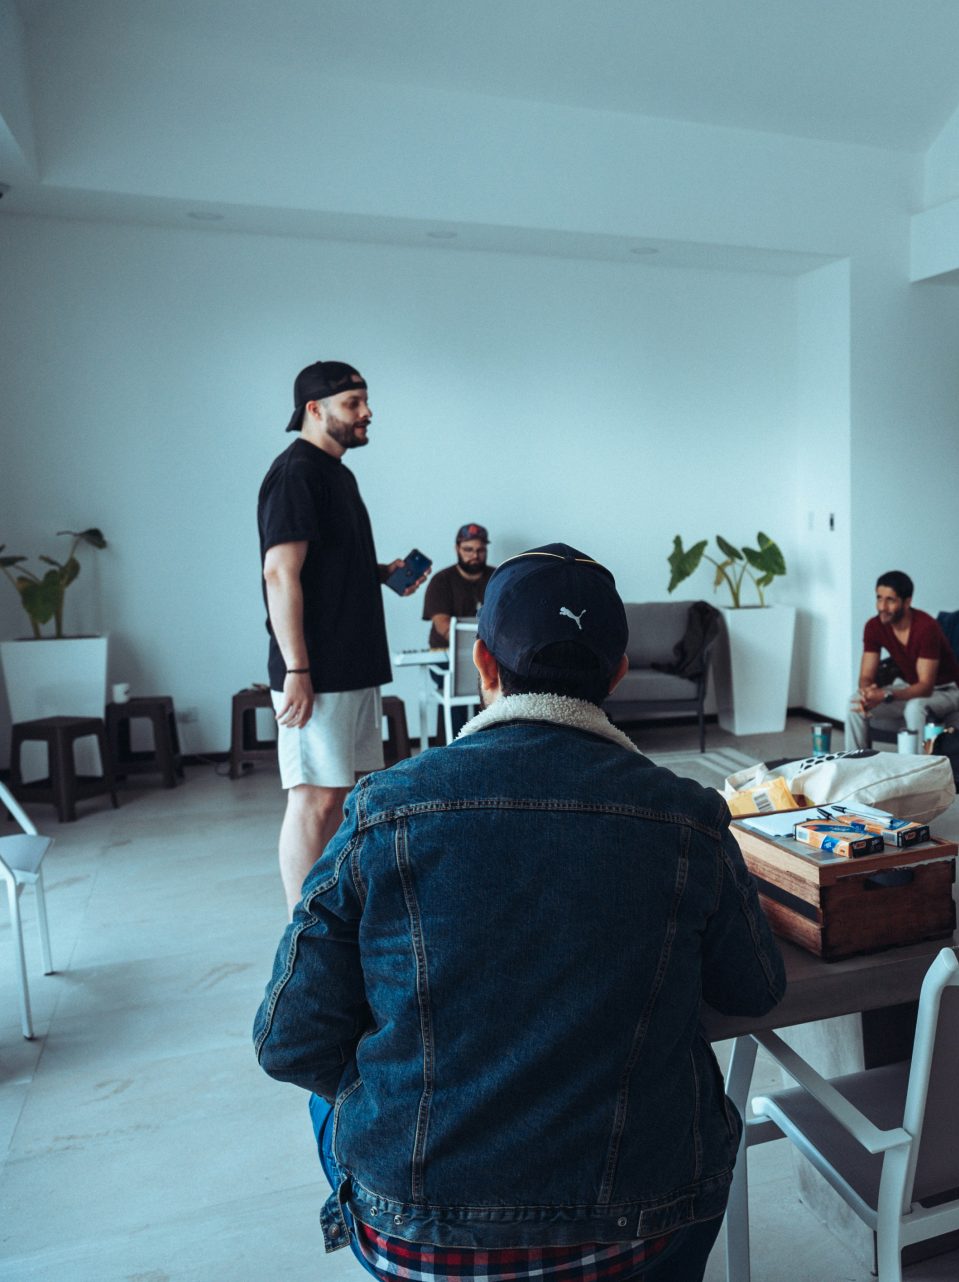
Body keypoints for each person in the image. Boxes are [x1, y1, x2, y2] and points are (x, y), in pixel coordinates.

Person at [254, 543, 786, 1282]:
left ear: (484, 665)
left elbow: (288, 1041)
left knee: (337, 1104)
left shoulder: (385, 808)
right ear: (618, 673)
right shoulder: (688, 816)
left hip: (418, 1237)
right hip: (645, 1227)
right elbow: (754, 988)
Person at [258, 360, 427, 912]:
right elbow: (279, 572)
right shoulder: (296, 473)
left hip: (352, 663)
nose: (367, 412)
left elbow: (320, 564)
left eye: (365, 401)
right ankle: (303, 929)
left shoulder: (337, 474)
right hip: (318, 668)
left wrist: (380, 573)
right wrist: (297, 669)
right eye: (354, 402)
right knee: (313, 798)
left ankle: (330, 912)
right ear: (315, 409)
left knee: (340, 796)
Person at [845, 570, 959, 750]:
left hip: (948, 690)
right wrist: (867, 693)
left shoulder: (926, 628)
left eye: (890, 600)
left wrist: (886, 695)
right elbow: (866, 676)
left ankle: (916, 765)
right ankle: (856, 761)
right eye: (879, 598)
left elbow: (925, 686)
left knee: (914, 707)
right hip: (910, 687)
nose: (882, 607)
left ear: (907, 602)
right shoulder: (874, 626)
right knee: (854, 702)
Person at [420, 522, 493, 649]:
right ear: (457, 549)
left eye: (480, 550)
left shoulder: (498, 577)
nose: (475, 556)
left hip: (490, 652)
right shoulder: (441, 580)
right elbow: (443, 626)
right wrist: (474, 648)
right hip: (446, 651)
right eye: (468, 550)